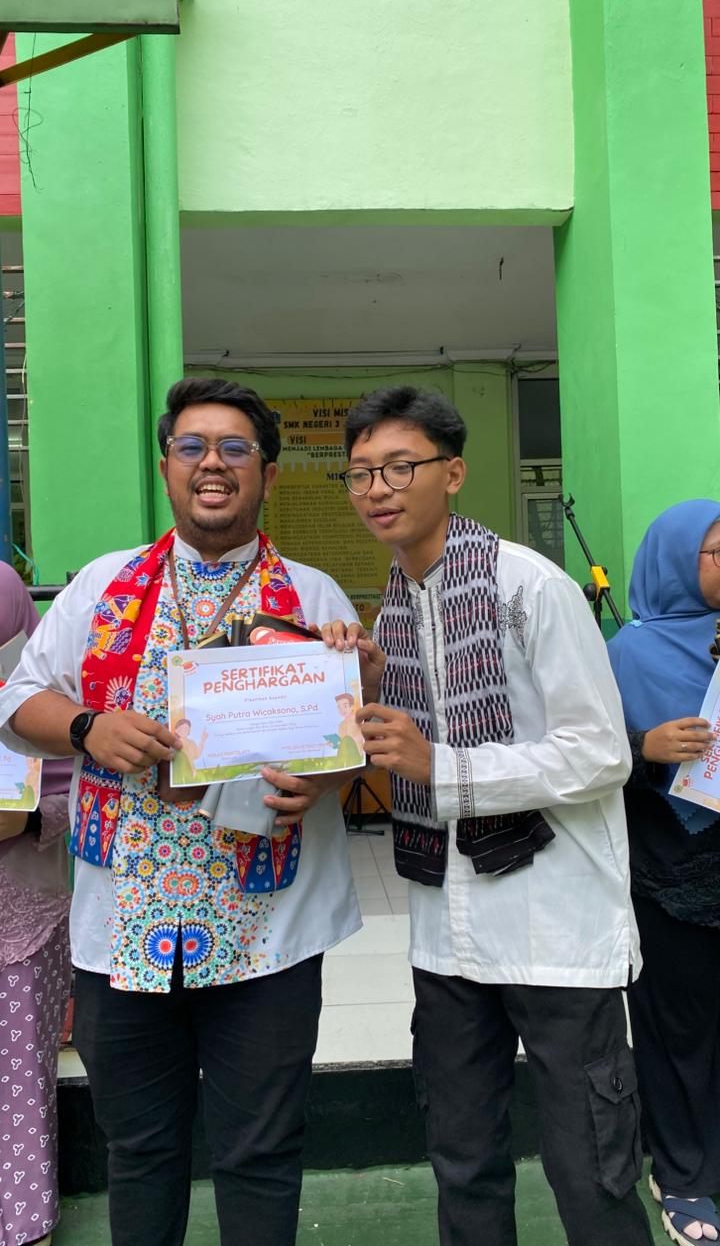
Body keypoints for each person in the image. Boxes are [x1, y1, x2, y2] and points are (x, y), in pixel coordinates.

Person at [0, 378, 362, 1246]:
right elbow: (17, 700)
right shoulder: (102, 586)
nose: (212, 464)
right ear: (166, 466)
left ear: (267, 474)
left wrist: (323, 781)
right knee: (141, 1151)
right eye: (192, 446)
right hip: (124, 928)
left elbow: (353, 750)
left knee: (261, 1152)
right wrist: (87, 727)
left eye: (236, 448)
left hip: (267, 931)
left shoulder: (314, 599)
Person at [321, 385, 653, 1246]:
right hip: (447, 936)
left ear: (455, 472)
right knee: (462, 1160)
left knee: (593, 1171)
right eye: (360, 473)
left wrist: (445, 766)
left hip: (555, 930)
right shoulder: (397, 600)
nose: (378, 489)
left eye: (401, 466)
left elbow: (602, 753)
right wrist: (362, 681)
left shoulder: (529, 587)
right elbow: (400, 729)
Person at [608, 500, 720, 1246]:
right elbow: (584, 756)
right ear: (678, 561)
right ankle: (683, 1173)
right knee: (679, 1029)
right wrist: (644, 746)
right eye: (717, 553)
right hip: (672, 873)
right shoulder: (627, 653)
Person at [0, 563, 72, 1246]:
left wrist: (23, 820)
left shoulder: (4, 595)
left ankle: (21, 1226)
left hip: (18, 914)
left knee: (17, 1079)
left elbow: (73, 781)